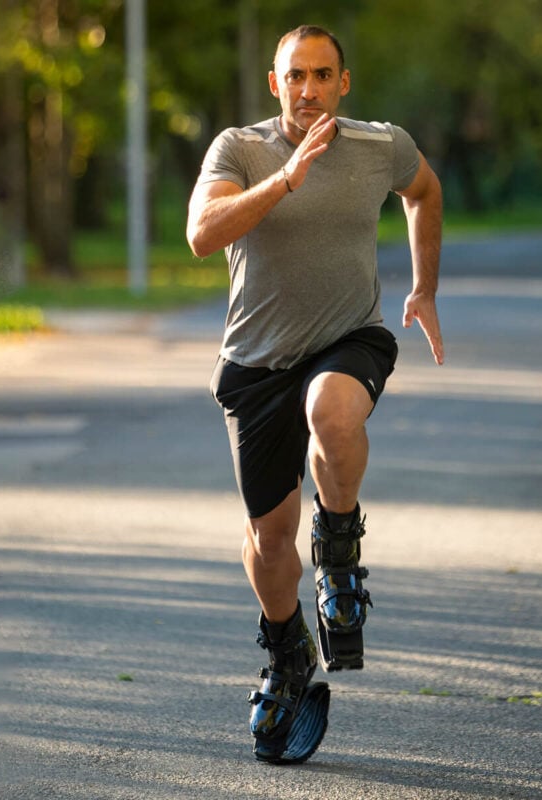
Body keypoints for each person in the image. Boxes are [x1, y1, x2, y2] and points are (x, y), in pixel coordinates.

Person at [186, 23, 443, 758]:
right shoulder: (239, 148)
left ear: (344, 81)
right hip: (256, 362)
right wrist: (286, 178)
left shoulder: (378, 146)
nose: (308, 89)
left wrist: (424, 286)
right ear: (276, 83)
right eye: (295, 76)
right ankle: (288, 655)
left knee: (331, 408)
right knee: (268, 543)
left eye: (322, 75)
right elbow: (201, 234)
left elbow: (424, 189)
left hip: (347, 337)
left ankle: (338, 549)